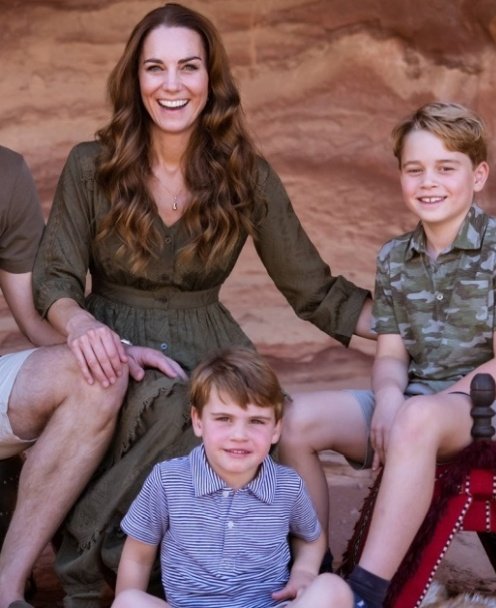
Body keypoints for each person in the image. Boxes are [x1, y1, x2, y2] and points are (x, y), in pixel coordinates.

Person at [30, 4, 373, 605]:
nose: (171, 84)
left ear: (210, 78)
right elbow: (53, 278)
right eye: (154, 68)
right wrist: (82, 325)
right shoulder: (92, 166)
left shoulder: (245, 175)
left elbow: (313, 289)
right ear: (134, 80)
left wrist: (418, 327)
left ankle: (285, 578)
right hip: (116, 341)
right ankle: (127, 573)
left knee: (253, 416)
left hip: (210, 339)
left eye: (188, 67)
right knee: (178, 408)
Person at [278, 101, 496, 608]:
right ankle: (314, 572)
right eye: (415, 169)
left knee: (418, 418)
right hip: (415, 405)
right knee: (296, 420)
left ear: (479, 175)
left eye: (447, 168)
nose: (430, 182)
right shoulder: (393, 258)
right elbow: (390, 356)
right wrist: (387, 399)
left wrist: (415, 412)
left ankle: (365, 594)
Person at [0, 145, 186, 608]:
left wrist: (110, 348)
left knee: (96, 375)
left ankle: (6, 588)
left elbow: (34, 315)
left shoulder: (5, 173)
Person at [112, 346, 325, 608]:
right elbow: (138, 556)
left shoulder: (287, 486)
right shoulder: (168, 481)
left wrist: (304, 573)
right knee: (130, 602)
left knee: (332, 589)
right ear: (198, 421)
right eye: (224, 418)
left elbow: (311, 537)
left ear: (276, 429)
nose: (240, 435)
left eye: (256, 421)